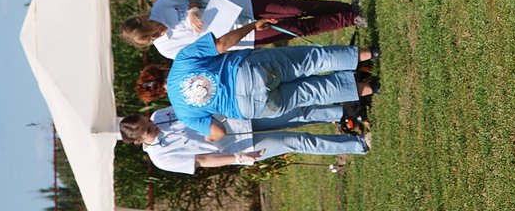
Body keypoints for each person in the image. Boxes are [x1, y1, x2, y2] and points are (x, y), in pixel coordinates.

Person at [165, 17, 378, 138]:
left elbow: (218, 132)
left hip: (251, 108)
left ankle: (373, 87)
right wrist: (252, 26)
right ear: (162, 70)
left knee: (314, 93)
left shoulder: (183, 114)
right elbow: (221, 44)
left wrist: (209, 136)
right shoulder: (181, 60)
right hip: (247, 71)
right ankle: (372, 53)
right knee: (312, 60)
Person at [120, 0, 363, 59]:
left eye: (150, 32)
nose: (155, 37)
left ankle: (348, 7)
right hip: (243, 36)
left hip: (239, 4)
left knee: (295, 9)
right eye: (150, 40)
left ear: (144, 21)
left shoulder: (162, 5)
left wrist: (193, 9)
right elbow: (206, 53)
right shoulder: (167, 49)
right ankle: (351, 18)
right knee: (297, 29)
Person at [119, 105, 370, 175]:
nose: (153, 125)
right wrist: (238, 158)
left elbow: (194, 108)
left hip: (235, 117)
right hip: (239, 146)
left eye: (148, 120)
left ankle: (347, 112)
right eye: (148, 130)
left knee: (295, 113)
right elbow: (203, 160)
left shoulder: (159, 115)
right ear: (139, 141)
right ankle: (358, 144)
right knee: (296, 141)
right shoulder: (161, 158)